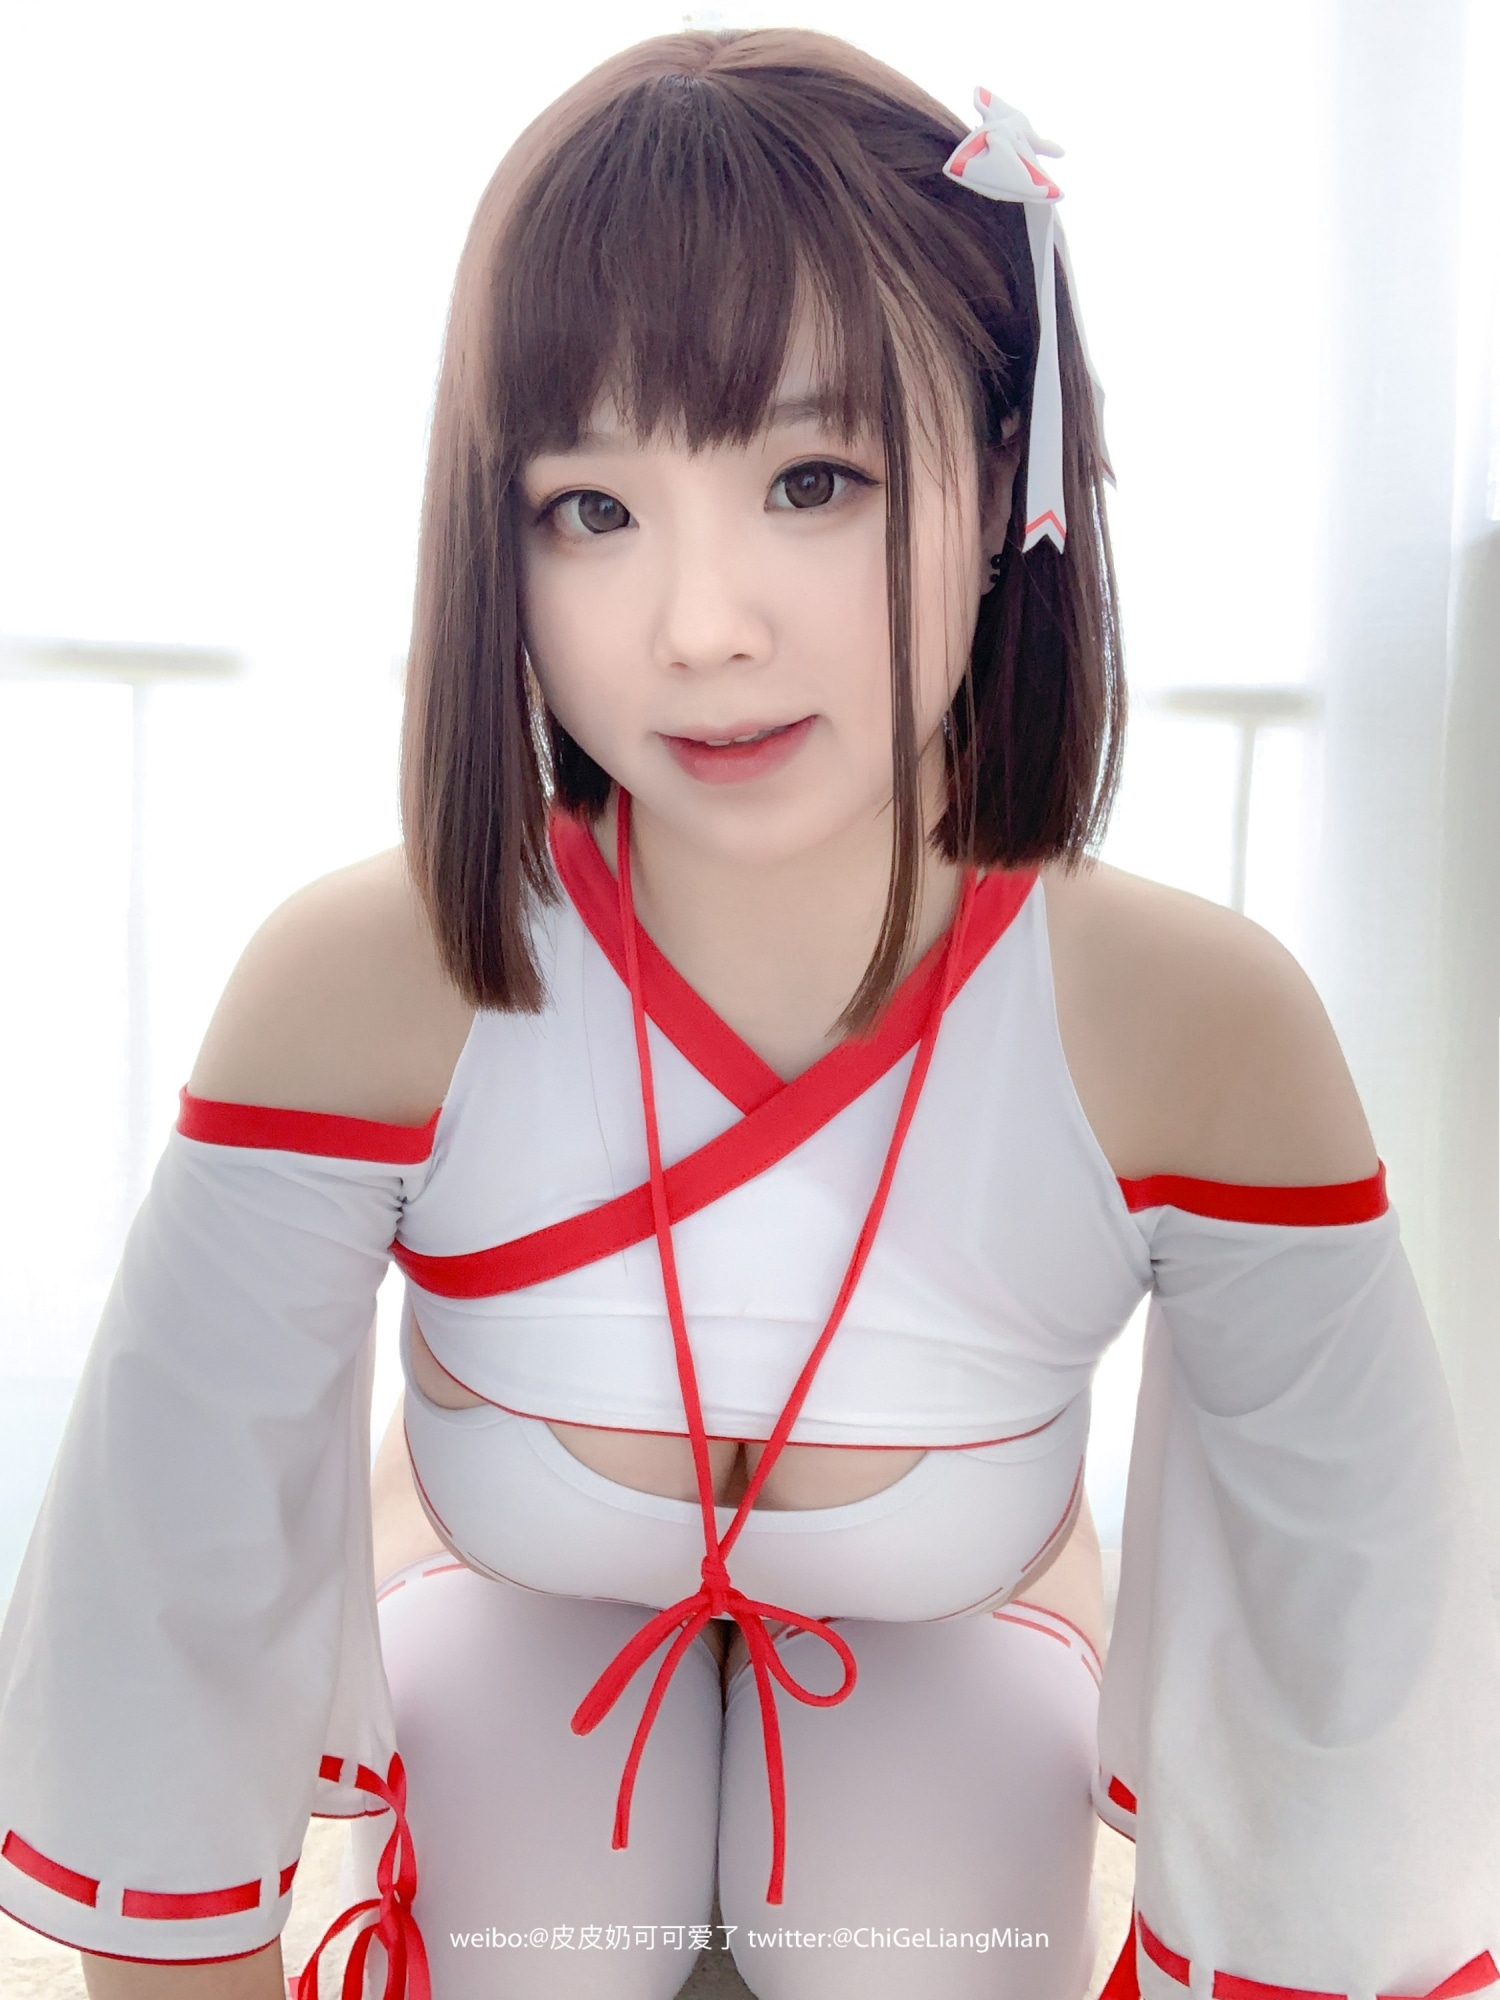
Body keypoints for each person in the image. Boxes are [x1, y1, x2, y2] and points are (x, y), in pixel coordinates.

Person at [1, 25, 1497, 2000]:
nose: (701, 627)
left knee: (912, 1939)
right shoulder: (364, 983)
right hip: (494, 1598)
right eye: (590, 508)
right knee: (547, 1933)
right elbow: (164, 1594)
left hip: (965, 1636)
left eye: (811, 479)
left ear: (1009, 471)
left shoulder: (1190, 1027)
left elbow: (1356, 1664)